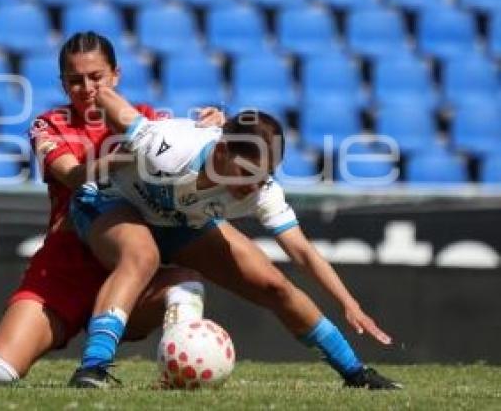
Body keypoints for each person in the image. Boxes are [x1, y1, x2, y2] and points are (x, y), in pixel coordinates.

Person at [0, 32, 222, 385]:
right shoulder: (48, 126)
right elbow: (75, 177)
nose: (87, 88)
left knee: (185, 286)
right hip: (66, 267)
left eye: (97, 77)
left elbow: (190, 155)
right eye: (75, 80)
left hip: (127, 264)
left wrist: (211, 131)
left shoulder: (147, 120)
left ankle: (174, 372)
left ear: (116, 76)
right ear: (63, 84)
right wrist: (126, 156)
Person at [67, 86, 402, 390]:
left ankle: (356, 373)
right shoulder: (167, 148)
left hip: (178, 222)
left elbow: (302, 252)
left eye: (263, 176)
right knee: (141, 255)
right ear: (223, 149)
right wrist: (98, 91)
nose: (252, 186)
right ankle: (93, 368)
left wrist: (350, 304)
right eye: (246, 173)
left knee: (274, 284)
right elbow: (114, 104)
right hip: (109, 203)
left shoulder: (260, 191)